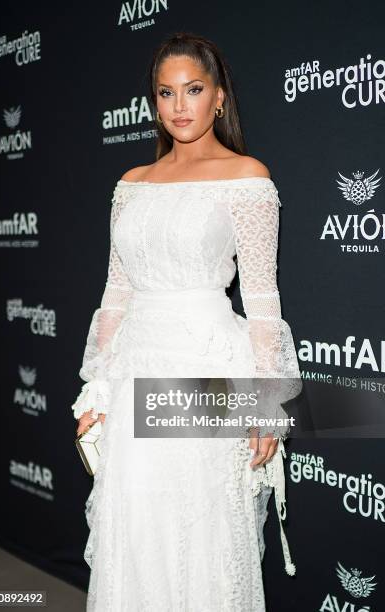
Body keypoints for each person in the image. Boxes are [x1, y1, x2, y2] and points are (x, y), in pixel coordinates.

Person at [72, 31, 302, 611]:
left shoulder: (248, 177)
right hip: (131, 374)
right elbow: (115, 293)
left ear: (218, 98)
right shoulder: (131, 184)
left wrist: (265, 406)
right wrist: (95, 387)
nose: (179, 106)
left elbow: (263, 300)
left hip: (207, 375)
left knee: (201, 542)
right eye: (166, 93)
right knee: (138, 537)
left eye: (193, 90)